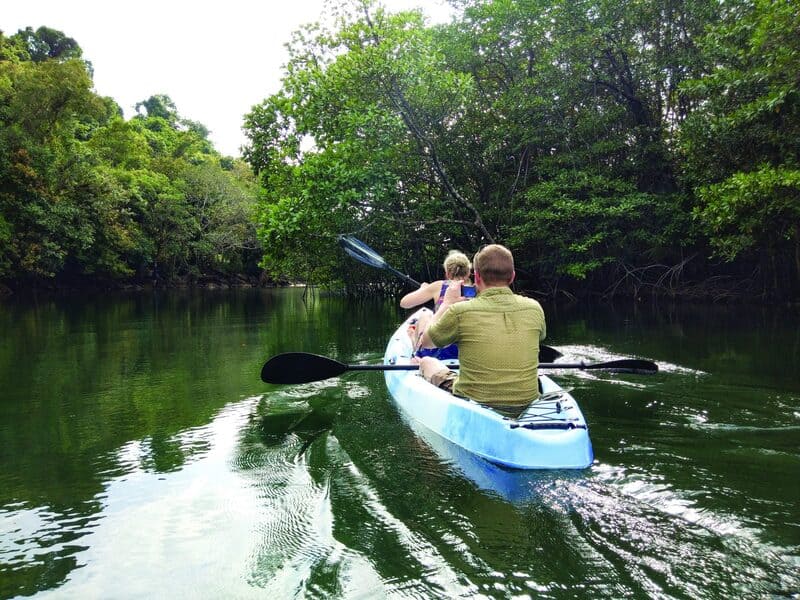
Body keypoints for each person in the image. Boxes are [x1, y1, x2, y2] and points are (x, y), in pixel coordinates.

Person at [415, 244, 546, 418]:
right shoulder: (534, 308)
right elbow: (541, 336)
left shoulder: (460, 311)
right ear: (512, 276)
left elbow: (426, 341)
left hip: (475, 399)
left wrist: (446, 304)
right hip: (526, 400)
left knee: (427, 362)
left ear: (476, 277)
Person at [400, 250, 473, 360]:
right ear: (468, 272)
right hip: (464, 353)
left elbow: (404, 303)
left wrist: (423, 289)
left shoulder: (439, 286)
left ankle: (416, 350)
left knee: (425, 315)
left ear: (447, 273)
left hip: (435, 350)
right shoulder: (476, 290)